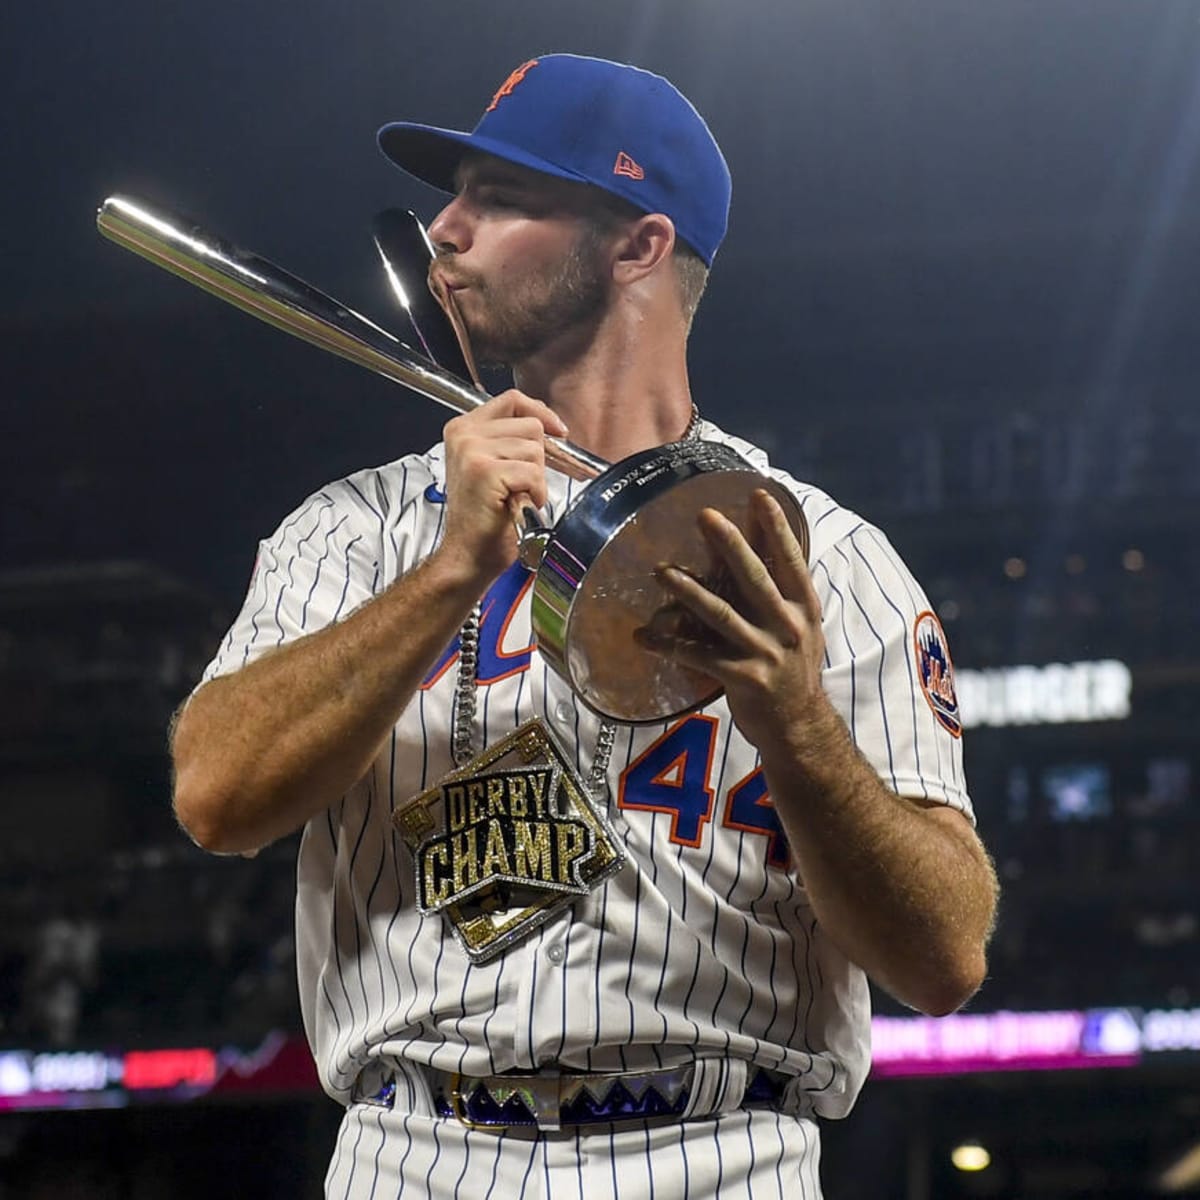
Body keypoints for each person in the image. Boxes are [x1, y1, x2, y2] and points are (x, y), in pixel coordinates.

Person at [171, 53, 997, 1198]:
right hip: (419, 1152)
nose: (444, 229)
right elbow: (216, 796)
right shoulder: (355, 530)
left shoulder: (829, 558)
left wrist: (797, 722)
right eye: (450, 195)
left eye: (500, 199)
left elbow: (945, 959)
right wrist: (448, 573)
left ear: (637, 246)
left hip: (721, 1155)